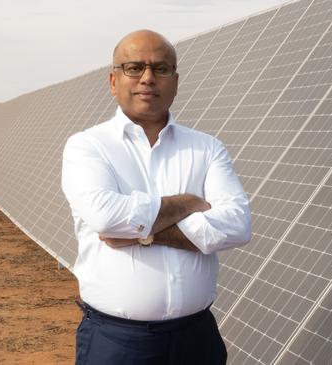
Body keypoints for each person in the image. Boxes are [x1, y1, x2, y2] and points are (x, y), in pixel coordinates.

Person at [61, 29, 251, 365]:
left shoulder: (206, 148)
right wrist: (190, 203)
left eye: (161, 69)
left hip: (197, 338)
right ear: (113, 81)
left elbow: (237, 225)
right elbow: (106, 218)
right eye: (134, 67)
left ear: (175, 82)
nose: (147, 78)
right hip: (117, 342)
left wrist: (143, 234)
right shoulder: (87, 146)